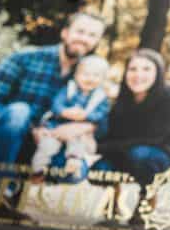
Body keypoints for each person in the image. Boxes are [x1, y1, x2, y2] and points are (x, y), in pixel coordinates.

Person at [0, 9, 106, 213]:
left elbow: (103, 115)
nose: (84, 39)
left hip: (48, 145)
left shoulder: (91, 75)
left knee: (75, 171)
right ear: (65, 33)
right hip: (3, 137)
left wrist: (86, 125)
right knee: (19, 111)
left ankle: (11, 199)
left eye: (92, 35)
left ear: (97, 41)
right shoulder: (25, 58)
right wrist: (31, 129)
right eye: (80, 31)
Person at [93, 49, 170, 223]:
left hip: (162, 158)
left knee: (140, 154)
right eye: (133, 69)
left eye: (146, 69)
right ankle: (114, 203)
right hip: (127, 153)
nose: (138, 75)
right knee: (98, 170)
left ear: (158, 73)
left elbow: (152, 138)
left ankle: (145, 203)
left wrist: (99, 148)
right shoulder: (123, 98)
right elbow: (111, 135)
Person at [29, 53, 111, 181]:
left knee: (79, 143)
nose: (90, 78)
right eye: (85, 74)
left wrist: (87, 115)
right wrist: (64, 111)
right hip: (57, 126)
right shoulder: (68, 89)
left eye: (96, 75)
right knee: (47, 145)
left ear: (102, 79)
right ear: (76, 75)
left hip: (80, 131)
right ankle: (38, 170)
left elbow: (102, 114)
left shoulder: (101, 97)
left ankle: (73, 161)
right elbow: (56, 104)